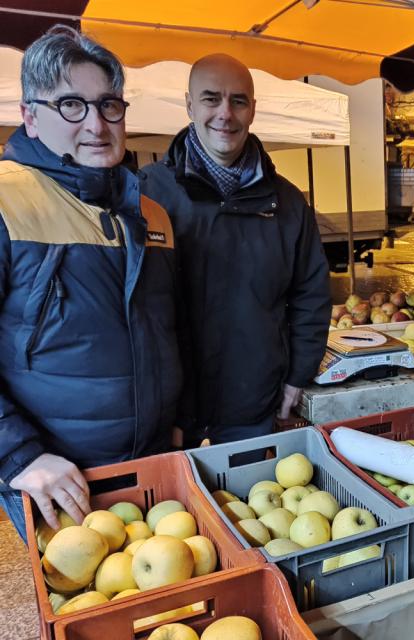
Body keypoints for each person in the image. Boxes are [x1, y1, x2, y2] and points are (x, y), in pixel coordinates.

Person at [0, 26, 182, 541]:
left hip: (149, 464)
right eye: (71, 106)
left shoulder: (150, 214)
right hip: (55, 479)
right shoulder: (7, 201)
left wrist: (173, 419)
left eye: (109, 105)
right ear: (30, 116)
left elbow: (168, 329)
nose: (97, 125)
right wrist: (19, 456)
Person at [140, 54, 331, 450]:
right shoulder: (147, 195)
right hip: (170, 411)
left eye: (238, 101)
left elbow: (311, 295)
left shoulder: (288, 204)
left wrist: (299, 375)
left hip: (254, 406)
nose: (225, 113)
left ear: (253, 110)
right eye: (211, 99)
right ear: (190, 105)